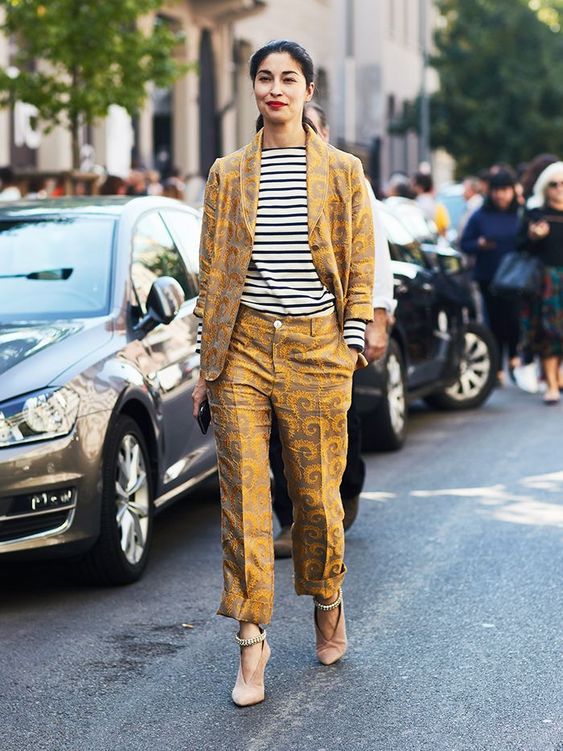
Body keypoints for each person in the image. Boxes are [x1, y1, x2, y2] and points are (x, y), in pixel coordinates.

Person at [191, 39, 374, 706]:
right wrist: (203, 365)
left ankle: (327, 597)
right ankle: (251, 641)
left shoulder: (343, 171)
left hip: (315, 348)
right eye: (264, 78)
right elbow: (211, 275)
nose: (274, 88)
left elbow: (359, 261)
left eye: (287, 78)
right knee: (243, 495)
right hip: (239, 350)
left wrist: (349, 341)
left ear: (306, 88)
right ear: (254, 89)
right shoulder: (227, 173)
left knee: (315, 495)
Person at [271, 100, 395, 558]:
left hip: (336, 326)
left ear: (323, 133)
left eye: (311, 128)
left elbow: (373, 255)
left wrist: (376, 317)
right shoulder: (262, 176)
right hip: (276, 335)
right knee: (279, 432)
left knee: (341, 418)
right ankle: (292, 518)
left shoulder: (348, 178)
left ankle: (343, 494)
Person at [460, 169, 521, 384]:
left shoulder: (521, 214)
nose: (500, 196)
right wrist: (479, 244)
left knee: (514, 320)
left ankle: (514, 357)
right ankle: (497, 368)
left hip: (517, 279)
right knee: (494, 321)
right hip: (489, 277)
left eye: (505, 190)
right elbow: (465, 243)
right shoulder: (480, 215)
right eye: (496, 191)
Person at [516, 162, 563, 404]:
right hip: (548, 281)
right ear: (545, 188)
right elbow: (519, 246)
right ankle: (551, 384)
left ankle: (557, 375)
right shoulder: (536, 214)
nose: (559, 189)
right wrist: (534, 236)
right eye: (554, 184)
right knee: (549, 333)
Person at [412, 171, 450, 237]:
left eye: (414, 185)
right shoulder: (439, 207)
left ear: (420, 187)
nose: (412, 187)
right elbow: (444, 230)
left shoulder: (415, 205)